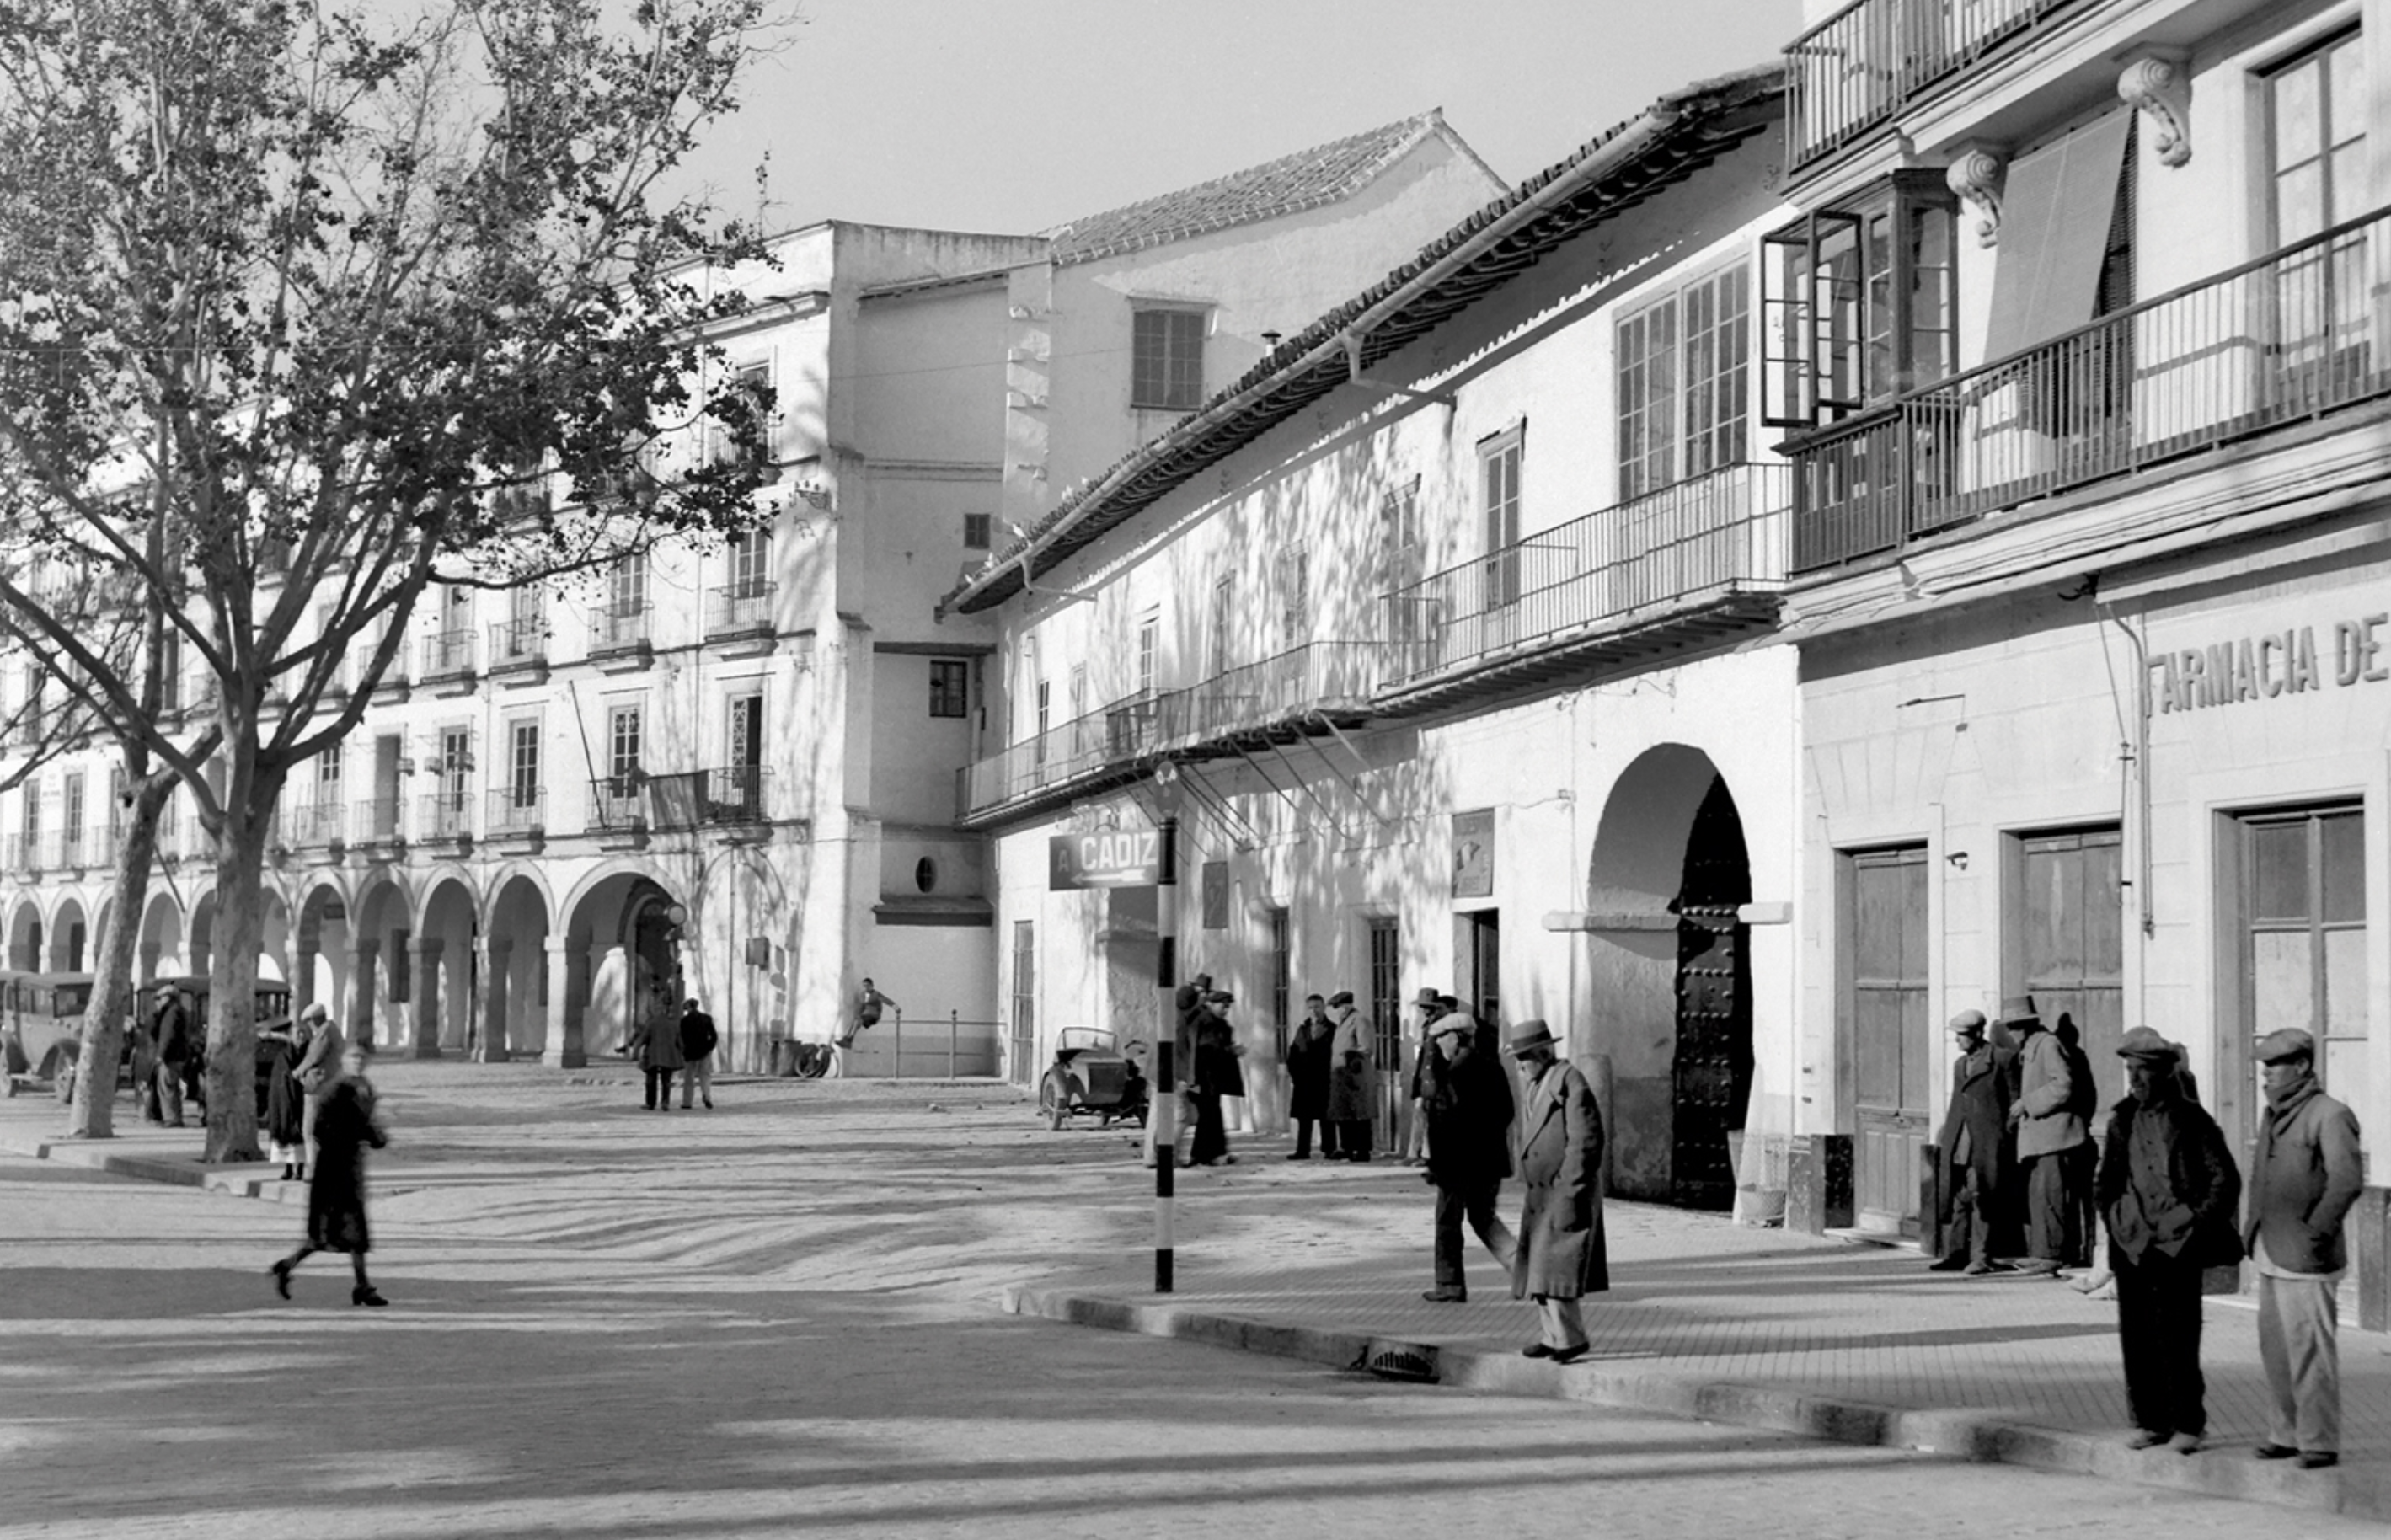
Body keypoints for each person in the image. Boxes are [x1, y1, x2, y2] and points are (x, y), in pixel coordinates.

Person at [2098, 1025, 2241, 1455]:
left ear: (2162, 1073)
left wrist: (2194, 1222)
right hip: (2133, 1244)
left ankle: (2188, 1425)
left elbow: (2225, 1179)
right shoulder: (2122, 1118)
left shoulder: (2192, 1119)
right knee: (2137, 1338)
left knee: (2177, 1338)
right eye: (2129, 1071)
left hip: (2176, 1246)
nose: (2134, 1080)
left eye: (2141, 1072)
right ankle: (2150, 1421)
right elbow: (2106, 1181)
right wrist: (2115, 1219)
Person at [2245, 1027, 2363, 1471]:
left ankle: (2319, 1440)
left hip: (2309, 1255)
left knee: (2311, 1349)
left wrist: (2317, 1230)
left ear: (2302, 1066)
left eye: (2274, 1066)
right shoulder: (2274, 1114)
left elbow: (2346, 1181)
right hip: (2271, 1250)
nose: (2266, 1075)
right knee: (2276, 1348)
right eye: (2264, 1067)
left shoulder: (2330, 1115)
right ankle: (2285, 1433)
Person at [1506, 1018, 1606, 1362]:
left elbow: (1586, 1141)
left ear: (1543, 1053)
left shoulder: (1569, 1081)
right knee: (1539, 1270)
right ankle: (1552, 1335)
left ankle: (1570, 1338)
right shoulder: (1540, 1082)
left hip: (1561, 1192)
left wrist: (1570, 1187)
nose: (1520, 1067)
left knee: (1556, 1269)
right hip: (1541, 1195)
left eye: (1524, 1059)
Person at [268, 1040, 390, 1307]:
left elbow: (367, 1125)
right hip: (333, 1173)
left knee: (354, 1234)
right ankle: (288, 1266)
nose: (357, 1062)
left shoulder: (365, 1088)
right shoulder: (336, 1092)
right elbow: (323, 1129)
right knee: (326, 1235)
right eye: (352, 1058)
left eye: (361, 1058)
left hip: (350, 1169)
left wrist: (373, 1134)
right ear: (344, 1062)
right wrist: (364, 1134)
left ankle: (361, 1285)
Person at [1420, 1010, 1516, 1302]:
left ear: (1454, 1038)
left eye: (1440, 1040)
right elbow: (1507, 1112)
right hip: (1489, 1162)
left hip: (1456, 1165)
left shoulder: (1452, 1074)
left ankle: (1449, 1285)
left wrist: (1436, 1164)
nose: (1437, 1047)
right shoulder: (1493, 1068)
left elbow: (1445, 1123)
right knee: (1483, 1217)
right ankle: (1524, 1270)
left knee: (1448, 1223)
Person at [2002, 995, 2084, 1277]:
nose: (2011, 1033)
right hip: (2040, 1139)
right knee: (2039, 1196)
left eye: (2014, 1026)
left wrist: (2029, 1102)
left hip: (2055, 1138)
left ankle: (2052, 1255)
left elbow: (2063, 1085)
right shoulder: (2031, 1047)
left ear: (2026, 1025)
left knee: (2051, 1196)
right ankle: (2041, 1252)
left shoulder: (2048, 1045)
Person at [1930, 1009, 2014, 1275]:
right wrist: (1946, 1134)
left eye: (1962, 1036)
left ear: (1977, 1034)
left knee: (1983, 1199)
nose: (1958, 1042)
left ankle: (1981, 1257)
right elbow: (1957, 1103)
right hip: (1959, 1143)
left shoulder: (2002, 1060)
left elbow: (2013, 1100)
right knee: (1959, 1199)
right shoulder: (1960, 1065)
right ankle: (1955, 1254)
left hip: (1986, 1144)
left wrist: (2004, 1137)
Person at [2053, 1015, 2100, 1266]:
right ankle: (2087, 1249)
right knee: (2083, 1200)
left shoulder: (2067, 1058)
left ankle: (2073, 1250)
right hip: (2082, 1133)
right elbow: (2091, 1095)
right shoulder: (2079, 1057)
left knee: (2072, 1199)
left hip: (2071, 1136)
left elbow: (2087, 1094)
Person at [1188, 990, 1244, 1168]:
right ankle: (1210, 1155)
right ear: (1211, 1004)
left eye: (1227, 1007)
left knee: (1210, 1115)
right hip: (1204, 1077)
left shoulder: (1215, 1022)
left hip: (1212, 1078)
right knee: (1210, 1116)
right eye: (1223, 1006)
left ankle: (1206, 1154)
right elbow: (1208, 1051)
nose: (1225, 1010)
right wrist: (1230, 1052)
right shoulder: (1206, 1022)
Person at [1283, 992, 1337, 1160]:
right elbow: (1293, 1054)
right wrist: (1296, 1076)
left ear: (1324, 1008)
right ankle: (1302, 1150)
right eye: (1311, 1008)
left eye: (1317, 1007)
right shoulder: (1302, 1029)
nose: (1314, 1011)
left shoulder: (1333, 1029)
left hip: (1324, 1080)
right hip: (1304, 1082)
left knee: (1327, 1117)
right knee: (1304, 1118)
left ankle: (1329, 1149)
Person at [292, 1002, 345, 1159]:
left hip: (318, 1085)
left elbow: (314, 1057)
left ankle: (313, 1166)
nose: (308, 1026)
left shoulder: (325, 1031)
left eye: (308, 1022)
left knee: (310, 1130)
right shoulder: (332, 1029)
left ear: (314, 1020)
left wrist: (297, 1071)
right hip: (329, 1082)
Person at [1324, 989, 1372, 1161]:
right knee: (1342, 1113)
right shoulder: (1342, 1024)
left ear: (1346, 1006)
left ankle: (1362, 1150)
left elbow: (1365, 1048)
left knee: (1359, 1114)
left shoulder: (1359, 1020)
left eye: (1337, 1007)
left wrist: (1349, 1054)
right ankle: (1346, 1147)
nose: (1336, 1011)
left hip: (1354, 1074)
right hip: (1340, 1075)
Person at [260, 1015, 308, 1180]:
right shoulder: (283, 1055)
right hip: (283, 1100)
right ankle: (288, 1169)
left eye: (303, 1033)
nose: (300, 1037)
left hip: (302, 1099)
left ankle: (301, 1169)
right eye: (297, 1034)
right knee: (285, 1134)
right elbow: (278, 1079)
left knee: (301, 1135)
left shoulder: (308, 1054)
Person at [1402, 988, 1444, 1168]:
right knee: (1419, 1114)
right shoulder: (1427, 1025)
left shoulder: (1441, 1026)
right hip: (1424, 1076)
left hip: (1434, 1077)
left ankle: (1428, 1155)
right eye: (1423, 1006)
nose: (1424, 1009)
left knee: (1430, 1118)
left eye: (1427, 1006)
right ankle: (1414, 1152)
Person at [151, 992, 190, 1128]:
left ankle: (172, 1118)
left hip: (170, 1057)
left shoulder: (171, 1013)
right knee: (170, 1087)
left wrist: (161, 1055)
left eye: (160, 998)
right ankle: (173, 1117)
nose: (158, 1001)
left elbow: (167, 1036)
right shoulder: (177, 1011)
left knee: (167, 1086)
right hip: (176, 1055)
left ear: (168, 997)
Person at [677, 997, 719, 1110]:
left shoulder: (684, 1021)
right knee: (705, 1076)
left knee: (689, 1078)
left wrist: (682, 1050)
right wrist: (709, 1047)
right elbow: (714, 1036)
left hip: (690, 1052)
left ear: (688, 1007)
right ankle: (707, 1096)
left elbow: (682, 1037)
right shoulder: (706, 1019)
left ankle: (687, 1102)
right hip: (704, 1051)